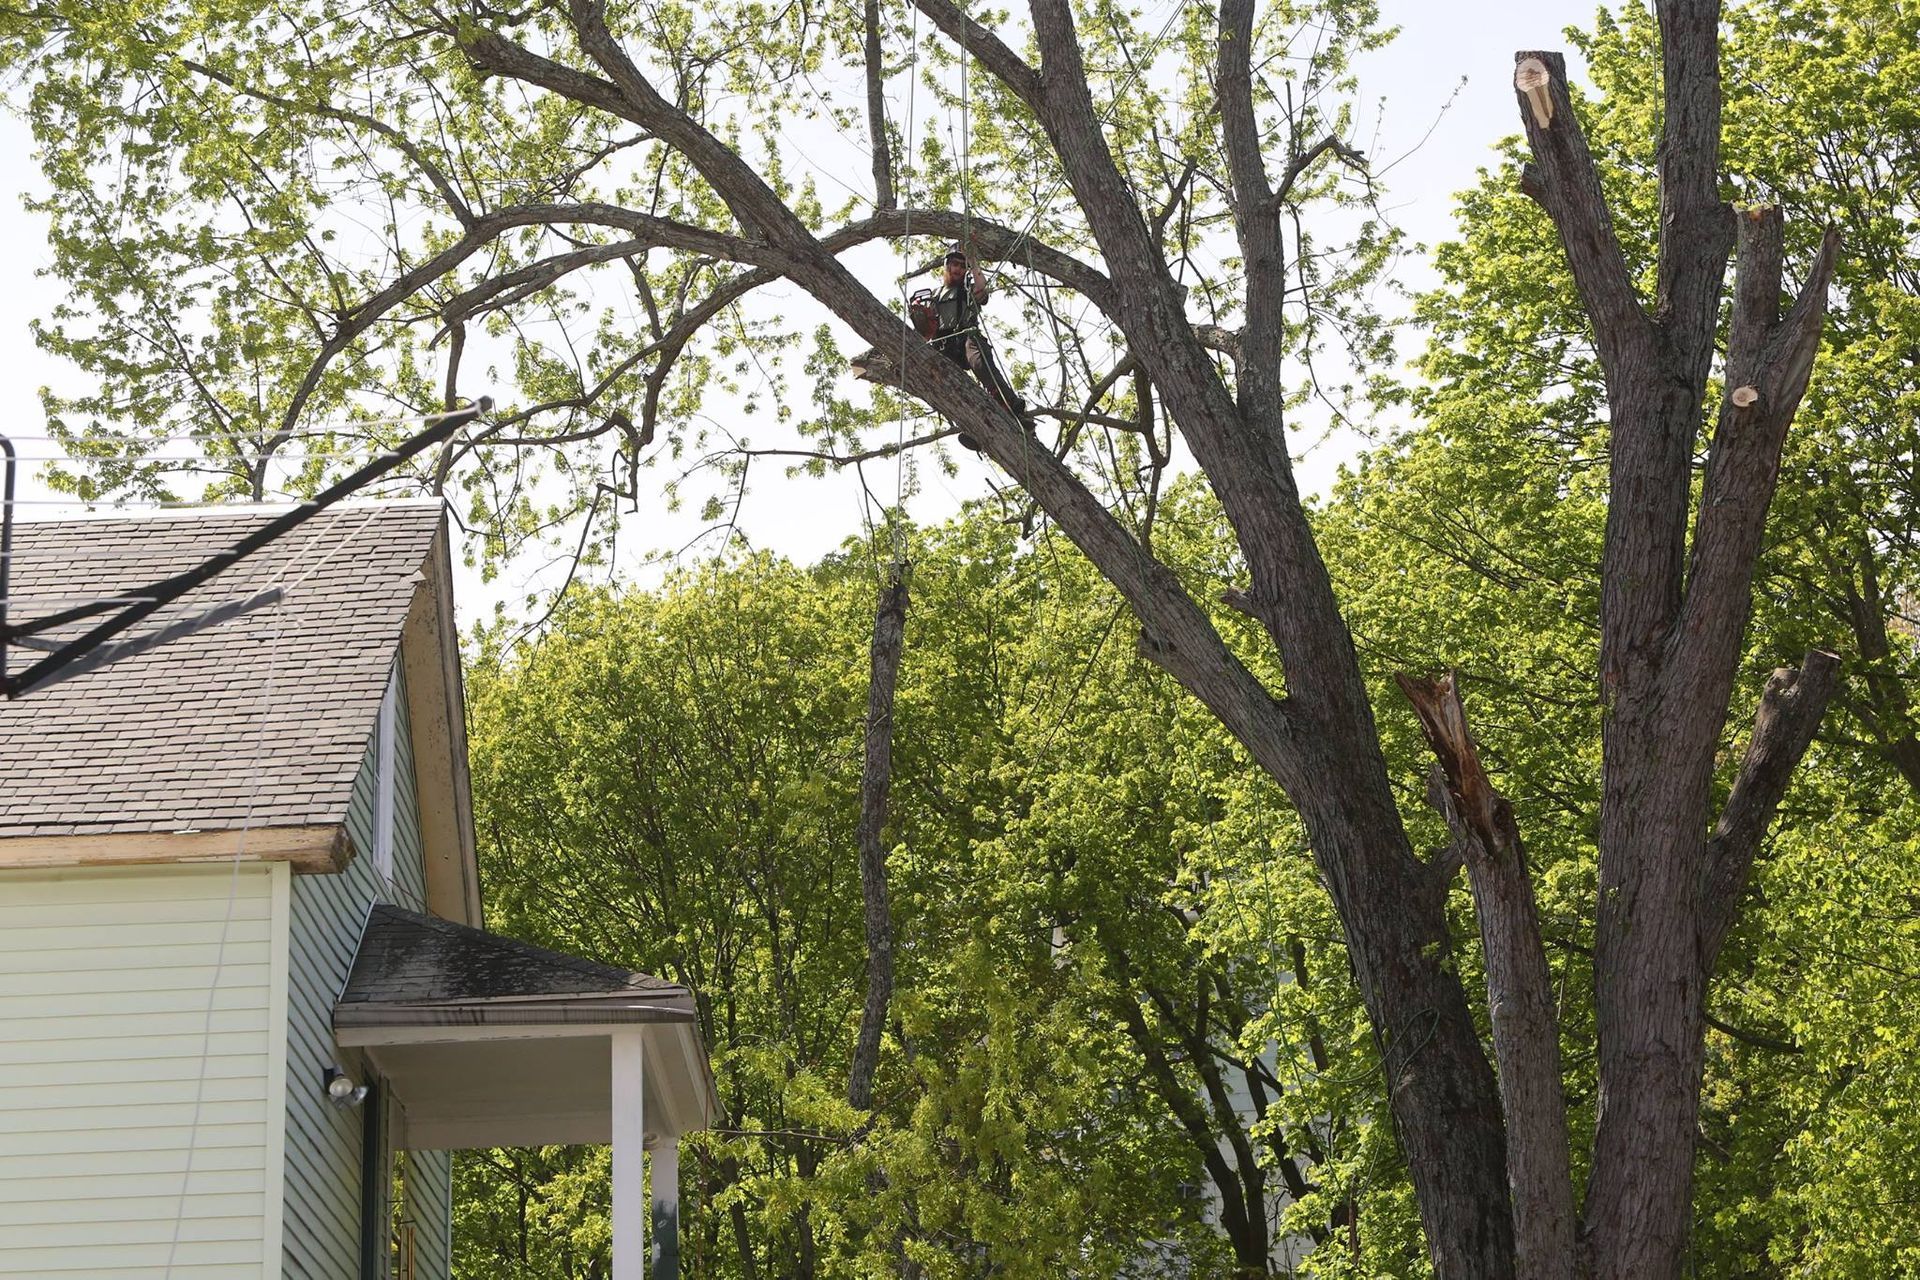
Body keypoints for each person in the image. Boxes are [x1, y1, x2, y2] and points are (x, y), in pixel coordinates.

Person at [924, 246, 1029, 451]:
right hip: (945, 345)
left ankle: (1010, 405)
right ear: (946, 266)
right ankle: (974, 427)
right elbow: (925, 328)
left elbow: (981, 289)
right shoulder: (935, 295)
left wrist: (973, 263)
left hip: (967, 337)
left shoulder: (967, 289)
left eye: (962, 266)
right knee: (948, 385)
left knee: (980, 365)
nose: (958, 269)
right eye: (955, 264)